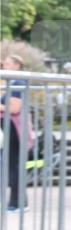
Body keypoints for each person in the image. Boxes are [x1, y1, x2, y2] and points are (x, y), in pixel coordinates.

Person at [1, 55, 33, 213]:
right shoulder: (10, 83)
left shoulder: (18, 83)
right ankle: (17, 202)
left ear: (16, 65)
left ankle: (18, 203)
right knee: (12, 165)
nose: (4, 66)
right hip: (9, 128)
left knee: (13, 166)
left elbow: (14, 109)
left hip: (14, 128)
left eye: (7, 63)